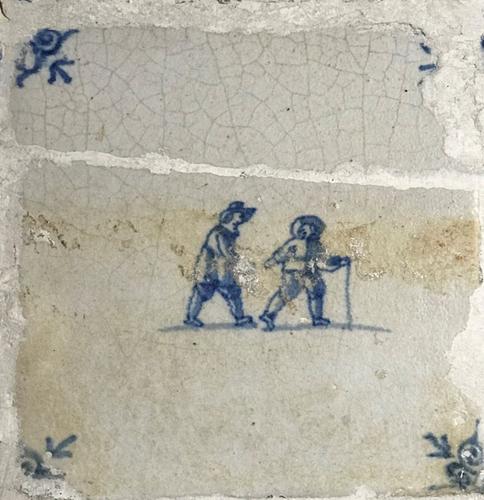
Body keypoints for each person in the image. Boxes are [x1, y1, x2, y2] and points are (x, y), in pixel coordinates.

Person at [259, 215, 350, 331]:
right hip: (293, 272)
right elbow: (281, 255)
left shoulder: (316, 245)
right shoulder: (294, 244)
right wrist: (270, 262)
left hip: (310, 272)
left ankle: (317, 318)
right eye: (308, 228)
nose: (312, 230)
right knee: (286, 294)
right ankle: (269, 315)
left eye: (313, 228)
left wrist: (338, 261)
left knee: (317, 292)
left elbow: (325, 260)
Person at [184, 201, 257, 328]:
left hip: (222, 271)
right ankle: (191, 317)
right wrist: (242, 264)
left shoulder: (228, 233)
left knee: (232, 292)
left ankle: (240, 317)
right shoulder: (219, 233)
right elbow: (225, 253)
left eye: (242, 217)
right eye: (239, 216)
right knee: (202, 292)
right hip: (210, 270)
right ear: (229, 216)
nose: (241, 220)